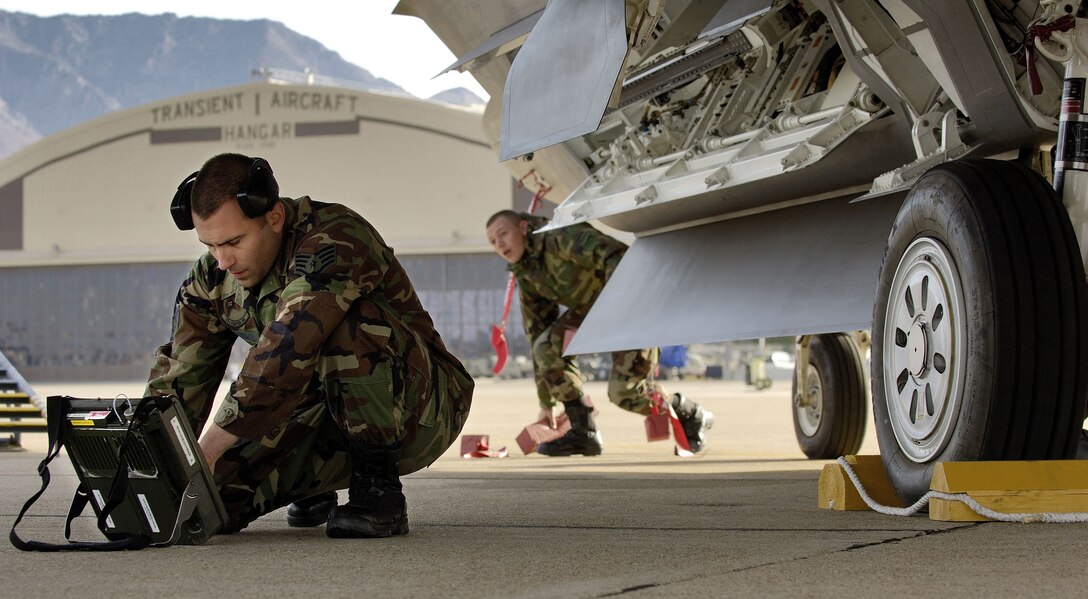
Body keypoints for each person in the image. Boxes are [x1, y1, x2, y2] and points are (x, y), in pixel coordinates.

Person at [145, 153, 473, 538]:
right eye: (211, 245)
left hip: (420, 407)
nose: (223, 261)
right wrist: (151, 463)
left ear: (274, 218)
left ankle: (377, 489)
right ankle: (313, 482)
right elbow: (183, 374)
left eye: (234, 241)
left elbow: (290, 342)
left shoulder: (334, 237)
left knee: (336, 323)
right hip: (314, 412)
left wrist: (211, 448)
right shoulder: (211, 279)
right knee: (206, 506)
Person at [484, 209, 713, 456]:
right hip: (592, 314)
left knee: (625, 393)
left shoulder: (561, 237)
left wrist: (620, 306)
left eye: (503, 234)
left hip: (634, 307)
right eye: (493, 242)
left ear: (523, 227)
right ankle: (583, 431)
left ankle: (690, 413)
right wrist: (547, 404)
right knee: (545, 345)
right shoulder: (528, 274)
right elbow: (537, 334)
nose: (500, 245)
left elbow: (618, 258)